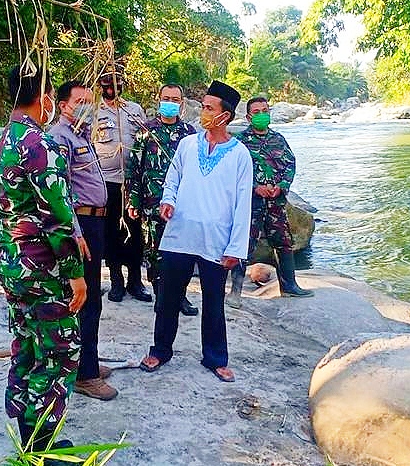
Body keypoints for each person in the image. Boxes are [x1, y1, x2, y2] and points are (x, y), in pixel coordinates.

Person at [0, 64, 87, 455]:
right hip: (42, 270)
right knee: (58, 352)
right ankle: (44, 452)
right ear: (44, 98)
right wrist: (76, 275)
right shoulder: (38, 144)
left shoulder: (0, 141)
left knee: (27, 343)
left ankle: (27, 429)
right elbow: (59, 219)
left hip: (10, 265)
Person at [140, 80, 253, 383]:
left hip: (216, 239)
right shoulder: (188, 144)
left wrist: (235, 248)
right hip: (180, 232)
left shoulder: (241, 155)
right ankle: (160, 350)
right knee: (167, 297)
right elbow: (173, 177)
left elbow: (244, 204)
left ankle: (215, 358)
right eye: (203, 106)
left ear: (224, 116)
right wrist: (167, 200)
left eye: (208, 108)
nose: (202, 112)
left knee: (213, 300)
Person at [48, 80, 117, 401]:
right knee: (85, 299)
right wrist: (75, 231)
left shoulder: (81, 134)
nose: (87, 107)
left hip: (95, 222)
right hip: (82, 224)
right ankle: (85, 375)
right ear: (63, 105)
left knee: (91, 298)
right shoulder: (60, 138)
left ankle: (85, 362)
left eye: (90, 102)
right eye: (80, 101)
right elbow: (59, 190)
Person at [126, 83, 198, 317]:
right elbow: (134, 169)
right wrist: (133, 201)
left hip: (182, 205)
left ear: (182, 103)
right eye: (166, 98)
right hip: (152, 204)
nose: (170, 102)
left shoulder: (190, 134)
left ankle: (181, 296)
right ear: (158, 100)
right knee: (155, 253)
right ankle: (162, 297)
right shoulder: (146, 132)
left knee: (183, 253)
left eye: (175, 99)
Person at [234, 96, 313, 300]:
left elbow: (290, 164)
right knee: (243, 244)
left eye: (265, 111)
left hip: (276, 203)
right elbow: (232, 172)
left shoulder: (278, 139)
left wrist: (282, 186)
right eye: (257, 112)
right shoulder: (240, 142)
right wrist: (254, 187)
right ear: (248, 116)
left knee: (283, 242)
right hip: (250, 203)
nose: (262, 115)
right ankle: (235, 292)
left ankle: (289, 287)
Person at [94, 68, 150, 302]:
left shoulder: (134, 110)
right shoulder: (93, 113)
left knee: (135, 232)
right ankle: (116, 281)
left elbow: (146, 141)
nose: (113, 86)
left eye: (118, 81)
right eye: (108, 81)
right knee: (111, 233)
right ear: (100, 84)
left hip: (132, 182)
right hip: (106, 182)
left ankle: (135, 281)